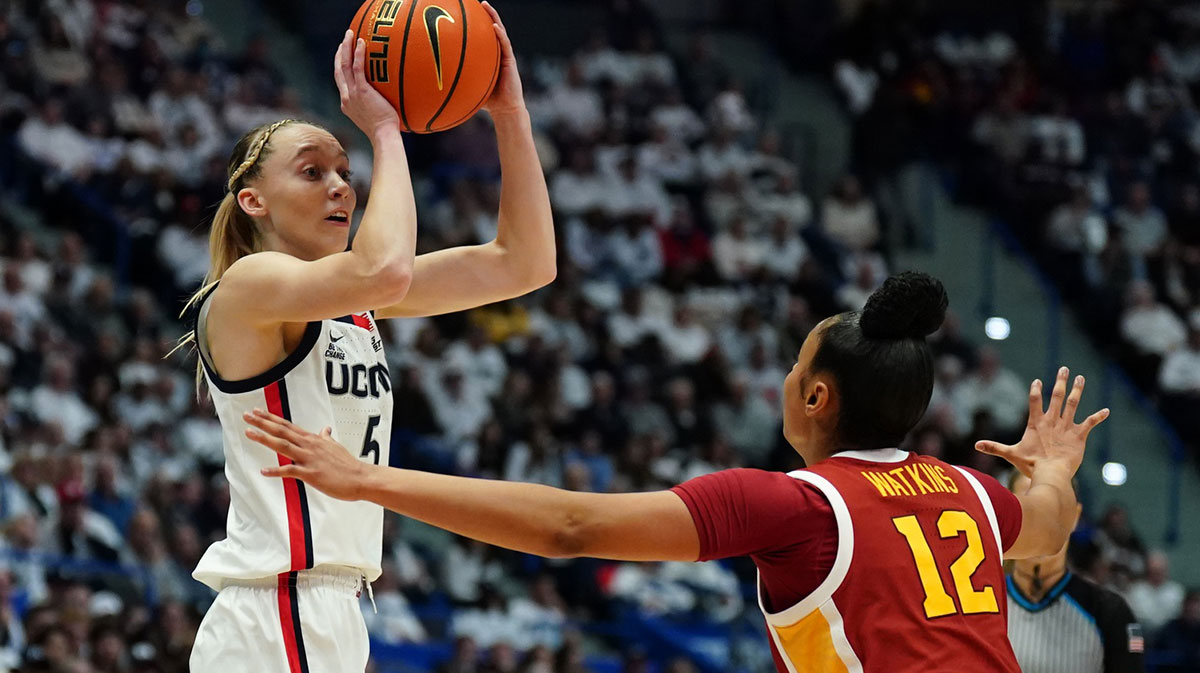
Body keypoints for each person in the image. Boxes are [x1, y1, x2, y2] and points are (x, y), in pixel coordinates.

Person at [243, 272, 1108, 673]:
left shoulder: (795, 505)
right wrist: (1057, 465)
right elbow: (1053, 520)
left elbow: (569, 527)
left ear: (813, 394)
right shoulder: (972, 493)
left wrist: (370, 479)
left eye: (791, 365)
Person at [185, 9, 555, 672]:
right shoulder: (249, 286)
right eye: (312, 171)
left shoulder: (351, 301)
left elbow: (524, 263)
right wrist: (386, 130)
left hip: (331, 607)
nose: (340, 186)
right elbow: (384, 266)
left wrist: (510, 114)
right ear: (252, 202)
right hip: (274, 610)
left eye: (346, 171)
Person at [1005, 473, 1144, 673]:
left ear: (1074, 516)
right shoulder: (973, 606)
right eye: (1026, 507)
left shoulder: (1110, 611)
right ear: (1005, 516)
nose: (1040, 522)